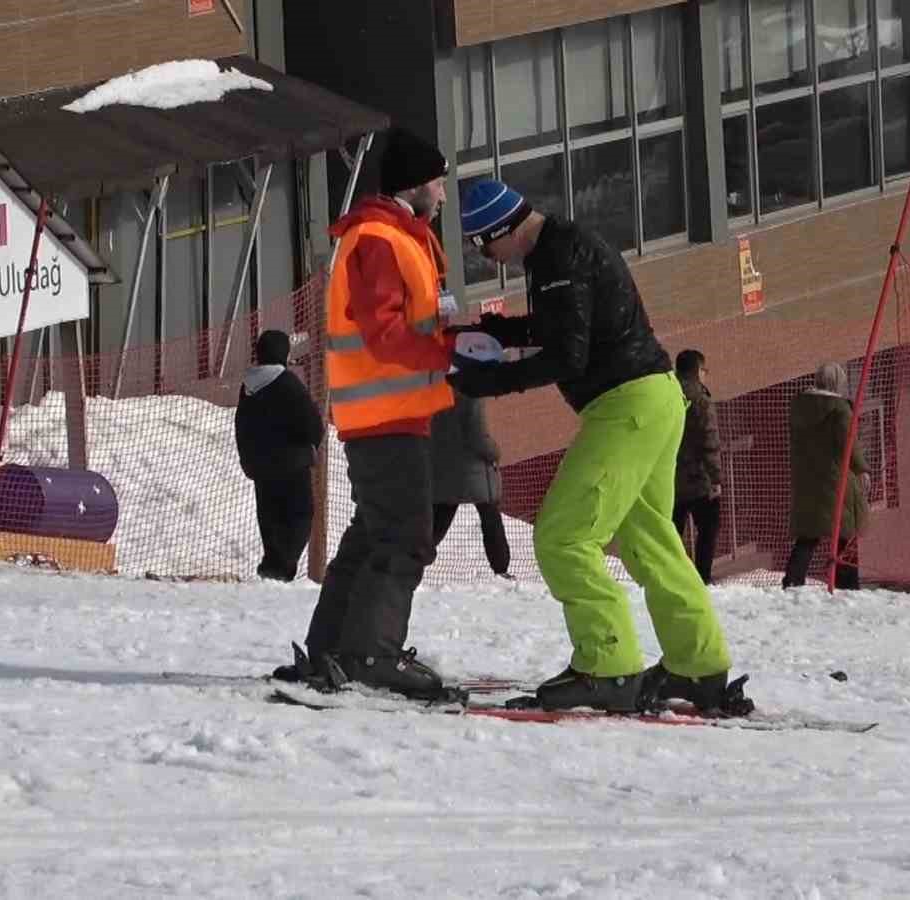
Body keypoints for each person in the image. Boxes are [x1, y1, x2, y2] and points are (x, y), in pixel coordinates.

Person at [446, 178, 751, 716]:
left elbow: (570, 354)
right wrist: (505, 333)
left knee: (563, 536)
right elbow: (574, 326)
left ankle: (607, 666)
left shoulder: (557, 257)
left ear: (498, 231)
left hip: (626, 407)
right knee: (650, 540)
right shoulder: (563, 248)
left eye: (480, 246)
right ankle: (699, 664)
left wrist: (490, 380)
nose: (487, 258)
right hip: (655, 398)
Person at [273, 127, 458, 699]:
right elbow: (386, 332)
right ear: (414, 185)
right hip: (387, 413)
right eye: (438, 183)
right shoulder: (381, 238)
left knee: (374, 533)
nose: (444, 195)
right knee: (405, 536)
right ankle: (372, 654)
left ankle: (333, 647)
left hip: (386, 412)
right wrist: (450, 353)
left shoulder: (399, 234)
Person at [234, 329, 323, 582]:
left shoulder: (248, 386)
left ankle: (272, 567)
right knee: (300, 515)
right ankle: (280, 566)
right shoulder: (287, 383)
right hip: (291, 463)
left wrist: (248, 459)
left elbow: (242, 423)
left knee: (270, 517)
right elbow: (312, 423)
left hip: (260, 466)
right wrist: (311, 447)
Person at [784, 361, 868, 590]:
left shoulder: (799, 407)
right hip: (835, 478)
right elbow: (848, 444)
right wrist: (861, 469)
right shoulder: (840, 409)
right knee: (845, 532)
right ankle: (848, 583)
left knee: (809, 533)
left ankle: (792, 580)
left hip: (808, 479)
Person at [429, 388, 511, 578]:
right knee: (491, 518)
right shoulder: (472, 396)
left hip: (444, 469)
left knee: (439, 520)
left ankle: (412, 560)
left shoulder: (436, 394)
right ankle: (501, 570)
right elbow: (478, 437)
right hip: (473, 470)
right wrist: (495, 451)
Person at [672, 349, 723, 585]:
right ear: (697, 371)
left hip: (670, 478)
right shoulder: (701, 401)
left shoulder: (667, 394)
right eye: (705, 371)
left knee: (671, 532)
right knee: (709, 528)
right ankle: (702, 577)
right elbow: (709, 441)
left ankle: (671, 574)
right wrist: (716, 478)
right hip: (699, 479)